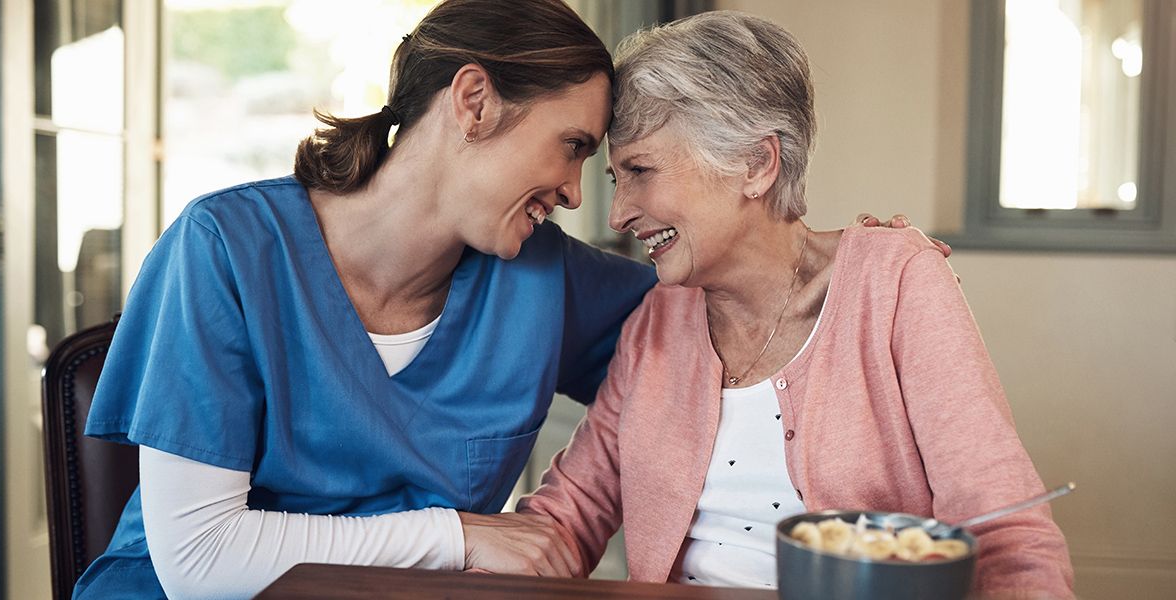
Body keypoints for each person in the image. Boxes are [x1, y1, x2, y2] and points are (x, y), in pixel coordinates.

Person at [75, 1, 934, 597]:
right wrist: (462, 534)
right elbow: (197, 558)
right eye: (570, 149)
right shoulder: (225, 249)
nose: (573, 193)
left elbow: (737, 318)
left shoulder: (543, 276)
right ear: (474, 101)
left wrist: (853, 272)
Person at [517, 11, 1075, 598]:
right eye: (615, 174)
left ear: (757, 165)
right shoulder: (658, 319)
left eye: (641, 170)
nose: (617, 213)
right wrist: (452, 551)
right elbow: (567, 517)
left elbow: (1008, 534)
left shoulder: (895, 284)